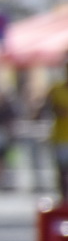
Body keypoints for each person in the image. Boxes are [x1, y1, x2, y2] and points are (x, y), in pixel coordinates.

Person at [46, 58, 68, 199]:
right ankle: (63, 198)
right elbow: (53, 109)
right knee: (62, 170)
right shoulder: (56, 88)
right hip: (61, 136)